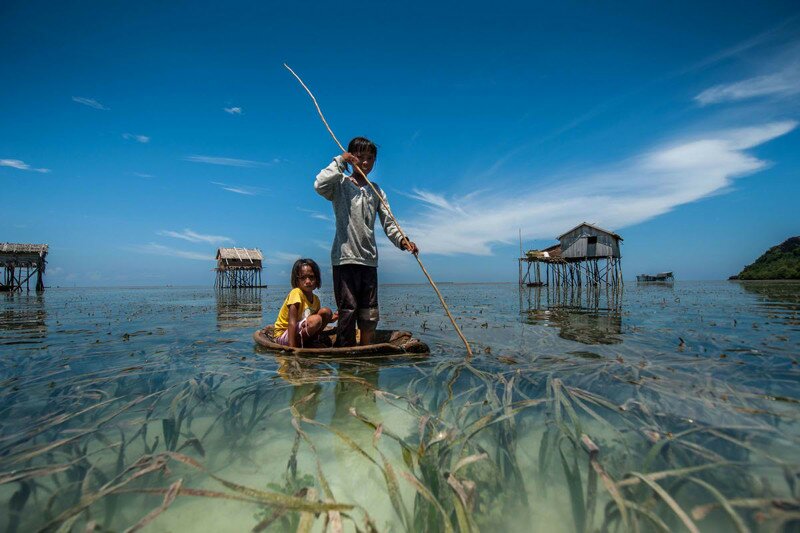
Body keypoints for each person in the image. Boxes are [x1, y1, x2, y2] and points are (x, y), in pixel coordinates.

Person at [314, 136, 418, 347]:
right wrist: (340, 161)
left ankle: (367, 350)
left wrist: (403, 240)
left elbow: (390, 223)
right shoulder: (340, 185)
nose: (365, 162)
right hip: (345, 259)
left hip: (369, 261)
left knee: (369, 313)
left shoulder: (377, 191)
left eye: (370, 158)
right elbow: (319, 184)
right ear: (351, 158)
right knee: (348, 310)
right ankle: (347, 354)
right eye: (360, 157)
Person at [272, 258, 336, 347]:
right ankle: (301, 343)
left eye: (311, 277)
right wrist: (292, 347)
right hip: (285, 335)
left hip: (299, 332)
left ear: (316, 279)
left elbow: (317, 319)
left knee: (326, 311)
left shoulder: (316, 299)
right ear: (297, 280)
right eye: (303, 278)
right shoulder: (296, 293)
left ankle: (312, 339)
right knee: (316, 319)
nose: (308, 281)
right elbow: (292, 322)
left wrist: (335, 316)